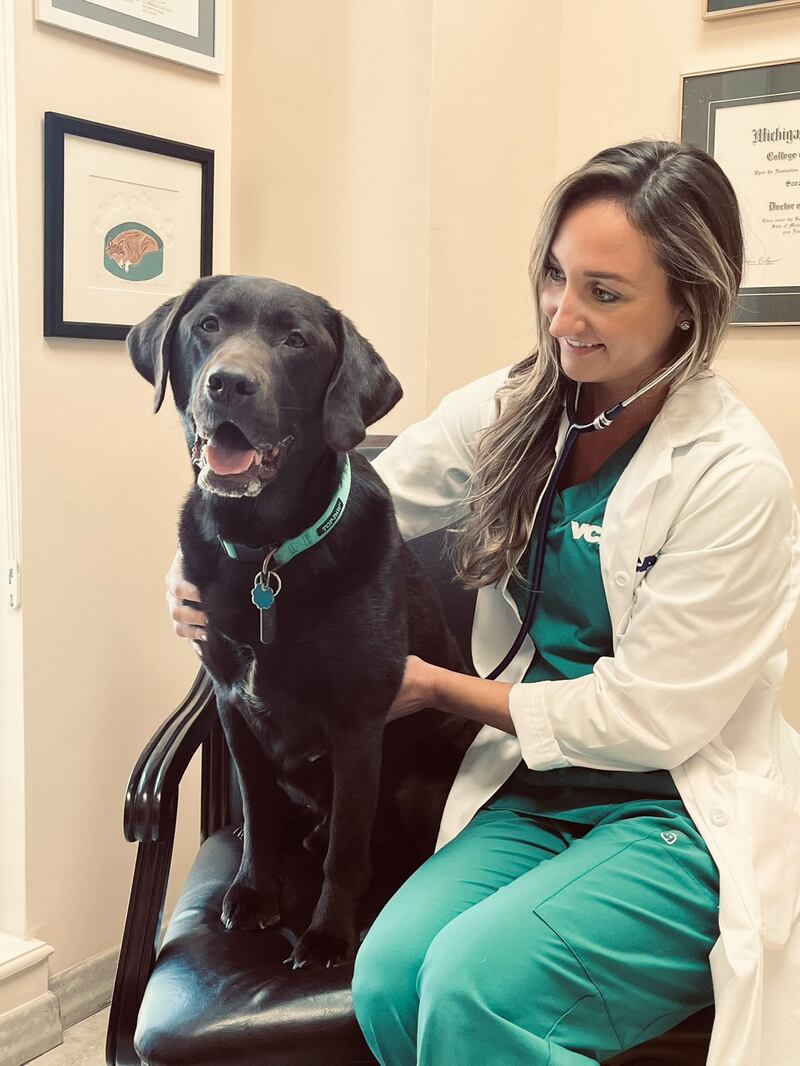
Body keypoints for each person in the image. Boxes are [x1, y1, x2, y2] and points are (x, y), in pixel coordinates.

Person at [166, 140, 800, 1066]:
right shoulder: (516, 409)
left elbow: (653, 719)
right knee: (389, 977)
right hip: (534, 790)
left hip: (674, 813)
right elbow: (364, 489)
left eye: (605, 293)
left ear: (689, 307)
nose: (563, 316)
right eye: (554, 276)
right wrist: (200, 560)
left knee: (470, 985)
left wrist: (434, 688)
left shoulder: (735, 478)